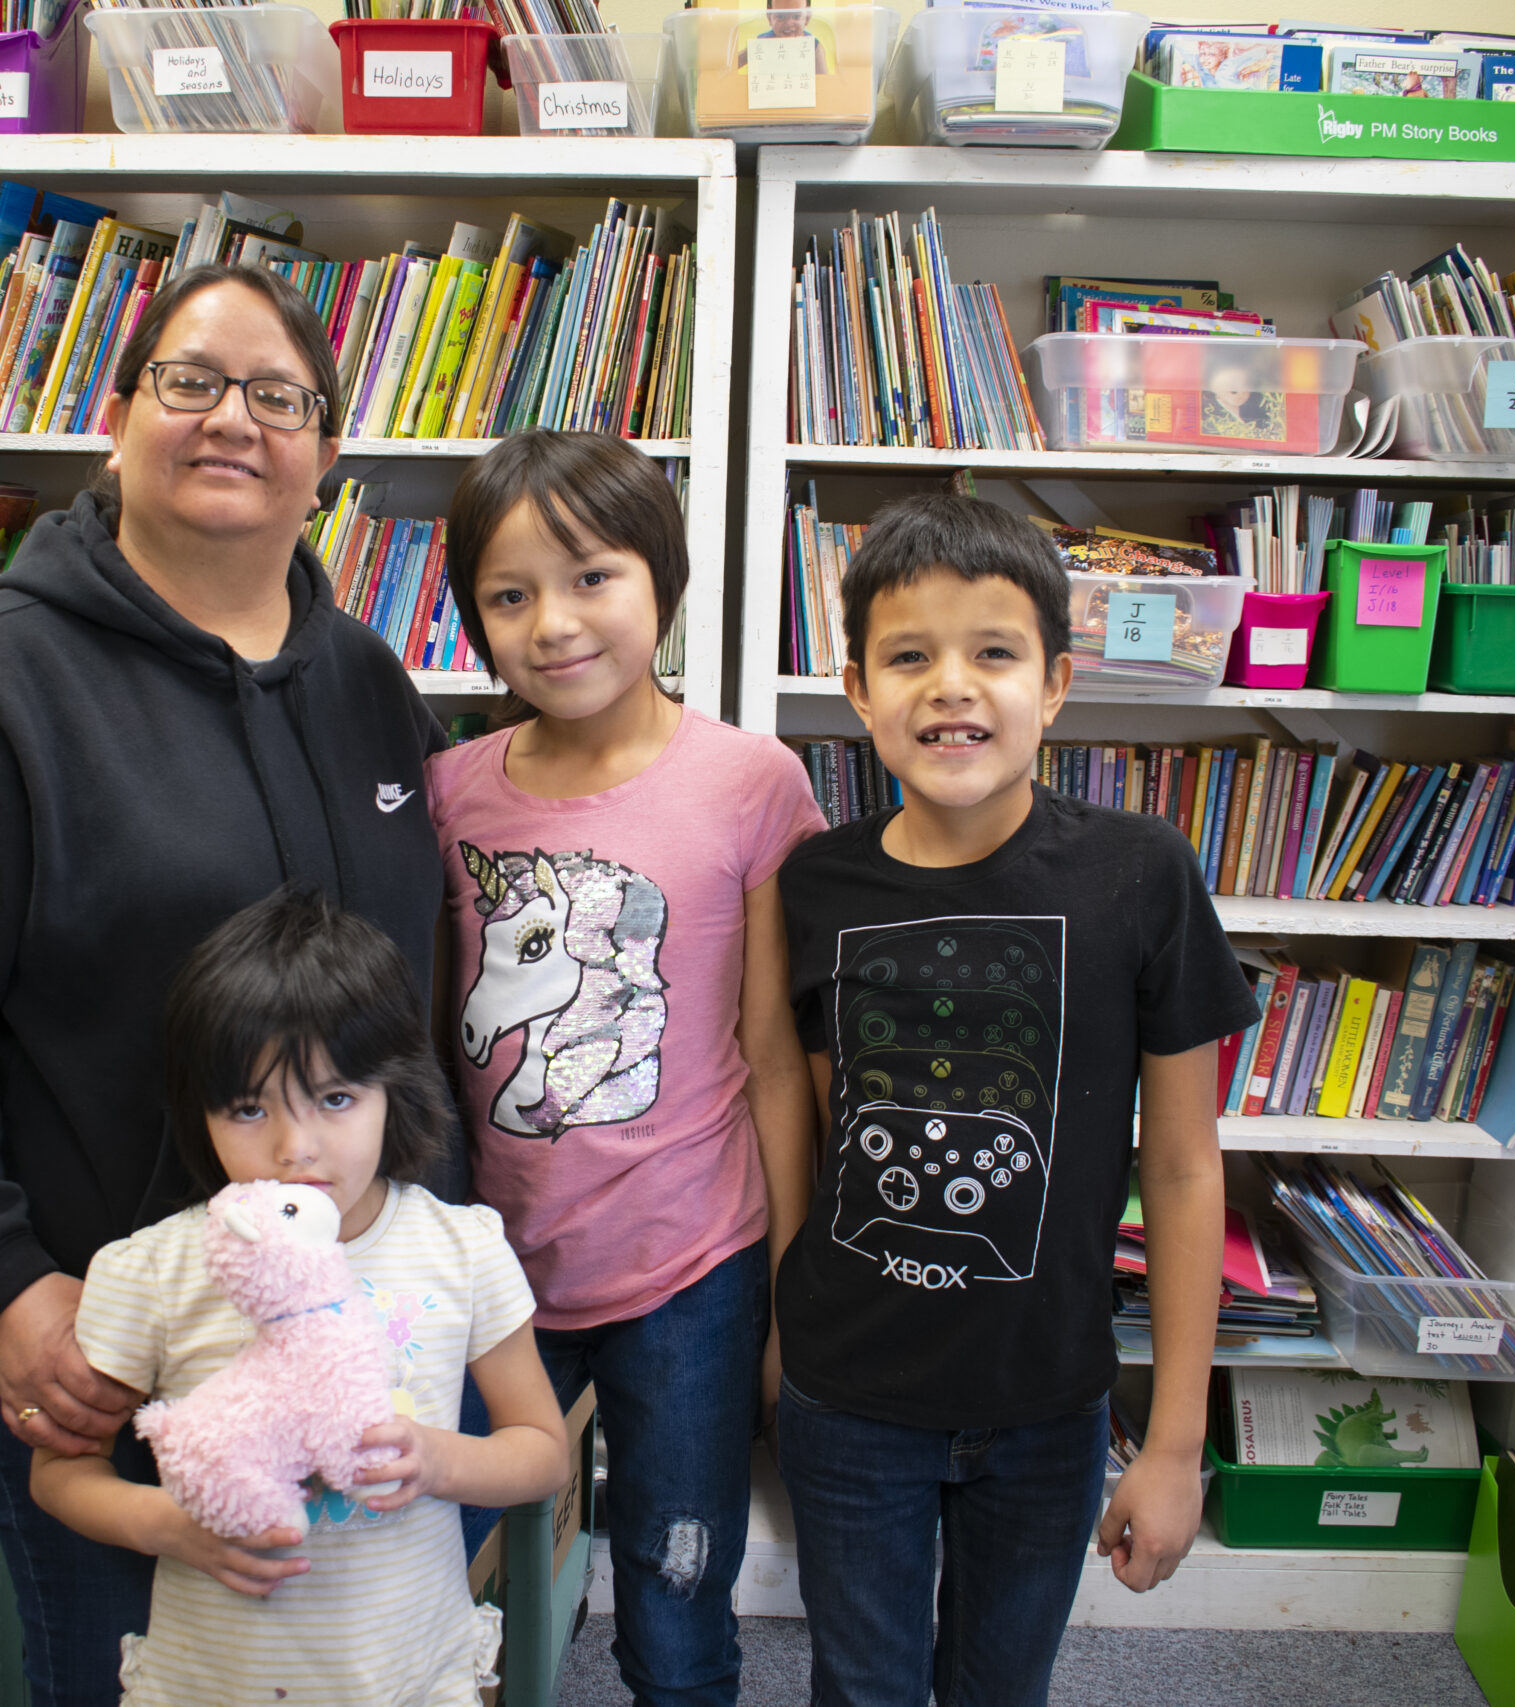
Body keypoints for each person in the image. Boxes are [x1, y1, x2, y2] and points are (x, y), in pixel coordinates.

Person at [0, 264, 451, 1707]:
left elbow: (415, 1001)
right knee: (129, 1680)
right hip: (116, 1345)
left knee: (368, 1668)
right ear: (113, 416)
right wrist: (1, 1290)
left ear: (327, 453)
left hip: (373, 1332)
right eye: (193, 381)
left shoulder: (368, 682)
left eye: (278, 396)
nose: (235, 420)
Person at [772, 493, 1257, 1707]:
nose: (951, 686)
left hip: (1048, 1405)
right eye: (908, 656)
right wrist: (782, 1331)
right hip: (849, 1397)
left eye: (992, 652)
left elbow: (1186, 1168)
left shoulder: (1141, 874)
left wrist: (1175, 1444)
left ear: (1054, 684)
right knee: (862, 1688)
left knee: (1002, 1689)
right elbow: (824, 1132)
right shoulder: (814, 882)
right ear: (855, 692)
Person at [428, 431, 826, 1706]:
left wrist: (788, 1288)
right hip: (491, 1269)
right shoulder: (448, 795)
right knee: (443, 1581)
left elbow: (774, 1056)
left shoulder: (750, 783)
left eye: (591, 576)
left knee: (674, 1585)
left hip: (691, 1273)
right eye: (508, 594)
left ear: (661, 579)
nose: (553, 623)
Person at [32, 890, 568, 1707]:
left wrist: (438, 1458)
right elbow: (59, 1473)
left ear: (396, 1090)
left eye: (336, 1098)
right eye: (248, 1108)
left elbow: (543, 1448)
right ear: (198, 1114)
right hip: (211, 1683)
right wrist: (168, 1525)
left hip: (408, 1679)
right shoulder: (154, 1268)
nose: (295, 1148)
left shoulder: (461, 1247)